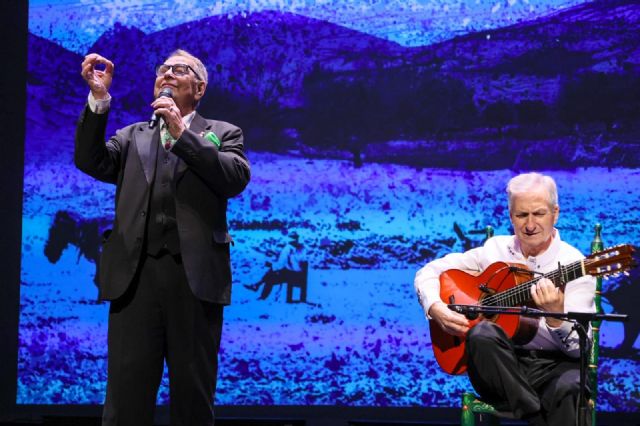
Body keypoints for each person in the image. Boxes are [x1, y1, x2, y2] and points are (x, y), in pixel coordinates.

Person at [76, 49, 250, 426]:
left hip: (195, 281)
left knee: (192, 399)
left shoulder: (222, 133)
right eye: (162, 70)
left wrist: (181, 133)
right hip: (134, 281)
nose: (167, 75)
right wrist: (100, 100)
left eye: (179, 70)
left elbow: (234, 178)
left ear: (199, 88)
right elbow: (90, 161)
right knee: (125, 400)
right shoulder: (131, 136)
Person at [414, 172, 595, 426]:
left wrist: (556, 317)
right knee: (482, 333)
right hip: (500, 367)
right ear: (511, 217)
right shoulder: (494, 250)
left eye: (539, 214)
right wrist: (436, 308)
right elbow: (429, 271)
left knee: (571, 386)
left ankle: (529, 411)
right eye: (522, 215)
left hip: (554, 367)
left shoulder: (573, 265)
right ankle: (535, 414)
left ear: (555, 213)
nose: (530, 225)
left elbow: (579, 350)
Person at [245, 231, 307, 301]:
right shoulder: (302, 248)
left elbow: (280, 265)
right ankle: (257, 285)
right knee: (272, 272)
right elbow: (302, 261)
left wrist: (271, 265)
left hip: (291, 275)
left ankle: (260, 292)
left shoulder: (287, 249)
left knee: (270, 277)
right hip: (300, 275)